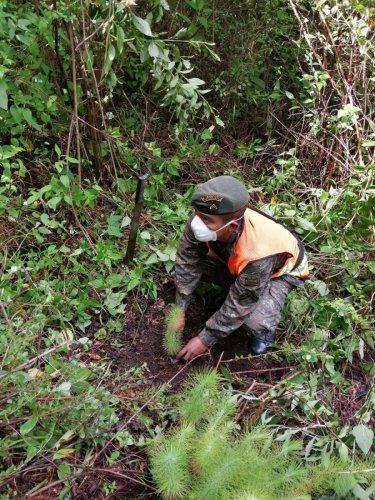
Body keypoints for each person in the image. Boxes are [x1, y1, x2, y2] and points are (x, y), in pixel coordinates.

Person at [173, 175, 309, 362]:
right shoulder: (203, 219)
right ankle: (234, 284)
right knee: (192, 269)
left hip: (280, 273)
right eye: (196, 214)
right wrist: (179, 309)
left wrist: (204, 340)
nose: (197, 222)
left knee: (253, 322)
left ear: (233, 225)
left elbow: (241, 303)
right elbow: (187, 261)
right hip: (238, 261)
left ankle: (265, 330)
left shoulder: (258, 253)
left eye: (206, 219)